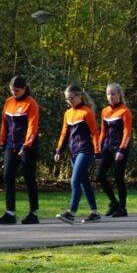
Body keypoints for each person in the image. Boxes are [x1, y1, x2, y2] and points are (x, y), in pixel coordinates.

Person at [0, 75, 41, 225]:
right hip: (11, 144)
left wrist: (26, 145)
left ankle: (33, 212)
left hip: (27, 145)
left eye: (17, 90)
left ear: (24, 89)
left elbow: (32, 126)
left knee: (29, 178)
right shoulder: (8, 103)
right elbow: (4, 123)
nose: (14, 93)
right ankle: (10, 212)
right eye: (12, 90)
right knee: (8, 176)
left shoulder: (31, 103)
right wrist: (2, 140)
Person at [54, 85, 101, 224]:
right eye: (67, 99)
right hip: (73, 151)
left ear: (79, 96)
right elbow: (64, 133)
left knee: (75, 180)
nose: (69, 101)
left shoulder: (87, 112)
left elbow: (94, 133)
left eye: (71, 98)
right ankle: (95, 212)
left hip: (85, 151)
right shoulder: (68, 114)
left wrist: (97, 152)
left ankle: (71, 213)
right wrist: (59, 150)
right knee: (84, 182)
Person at [97, 83, 132, 218]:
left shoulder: (125, 111)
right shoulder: (105, 111)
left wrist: (122, 150)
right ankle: (114, 203)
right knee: (100, 176)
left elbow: (127, 133)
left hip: (120, 148)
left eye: (113, 93)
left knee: (119, 178)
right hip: (107, 147)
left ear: (119, 95)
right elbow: (103, 132)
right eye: (108, 94)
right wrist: (98, 147)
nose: (110, 96)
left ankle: (122, 208)